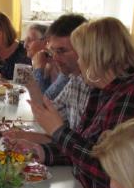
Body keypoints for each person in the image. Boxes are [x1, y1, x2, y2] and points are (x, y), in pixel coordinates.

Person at [17, 17, 134, 188]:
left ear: (98, 57)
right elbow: (86, 149)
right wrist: (41, 151)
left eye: (81, 56)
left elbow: (111, 172)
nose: (79, 62)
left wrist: (59, 131)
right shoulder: (102, 89)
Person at [7, 14, 90, 145]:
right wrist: (31, 85)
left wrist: (38, 70)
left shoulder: (93, 86)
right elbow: (47, 114)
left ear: (84, 49)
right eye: (53, 51)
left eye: (62, 51)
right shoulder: (75, 80)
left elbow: (85, 149)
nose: (55, 57)